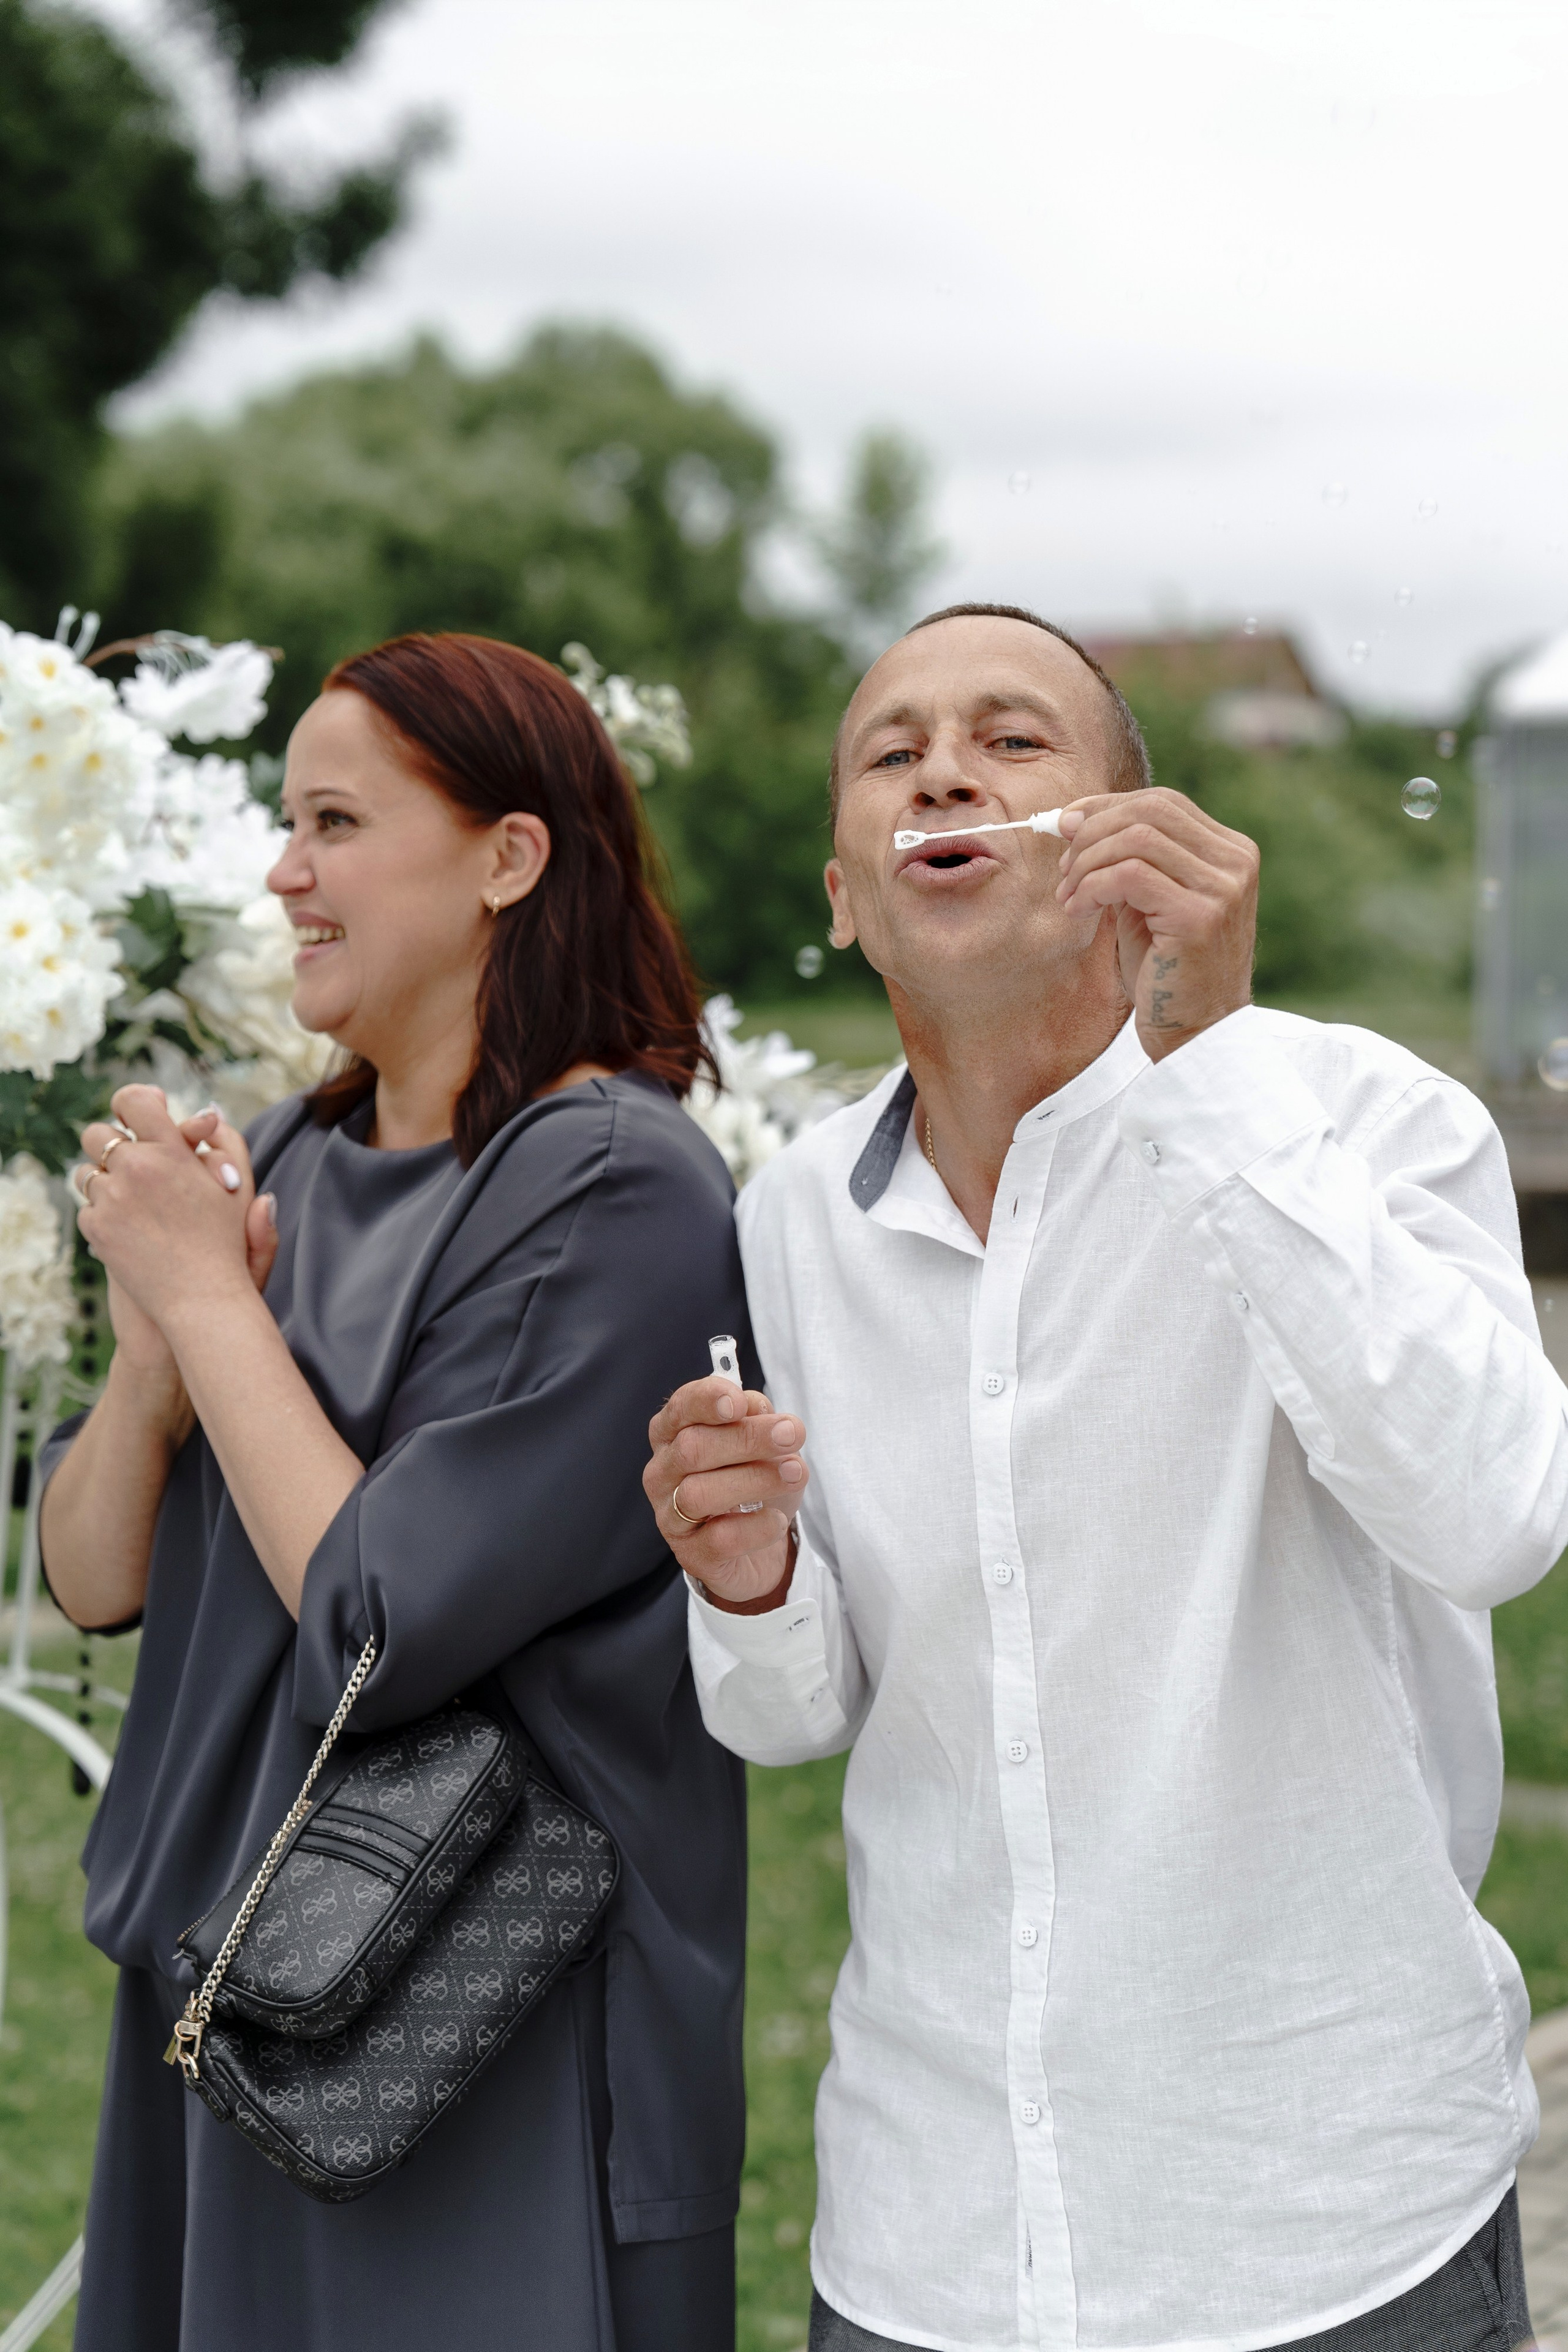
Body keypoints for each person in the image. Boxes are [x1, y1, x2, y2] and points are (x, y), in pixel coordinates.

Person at [644, 603, 1563, 2352]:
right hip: (930, 2243)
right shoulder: (787, 1223)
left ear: (1130, 839)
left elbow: (1500, 1519)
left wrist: (1206, 1070)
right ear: (847, 896)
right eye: (892, 750)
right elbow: (797, 1713)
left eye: (1011, 737)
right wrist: (750, 1578)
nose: (944, 769)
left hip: (1326, 2226)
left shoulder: (1361, 1121)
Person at [42, 631, 750, 2352]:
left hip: (471, 2037)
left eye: (336, 822)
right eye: (288, 822)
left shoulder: (616, 1189)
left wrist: (214, 1301)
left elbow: (384, 1623)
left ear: (511, 858)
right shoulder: (284, 1162)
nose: (284, 872)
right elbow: (90, 1577)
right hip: (234, 1997)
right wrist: (157, 1341)